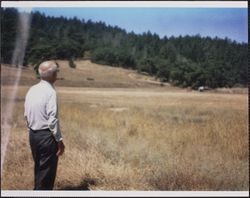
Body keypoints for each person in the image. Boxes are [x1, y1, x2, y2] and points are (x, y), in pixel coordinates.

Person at [24, 60, 65, 190]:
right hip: (46, 136)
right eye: (57, 72)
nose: (57, 74)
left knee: (39, 169)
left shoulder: (32, 89)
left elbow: (26, 113)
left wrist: (30, 130)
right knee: (47, 175)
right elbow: (52, 119)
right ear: (53, 75)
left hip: (33, 134)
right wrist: (59, 140)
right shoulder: (50, 92)